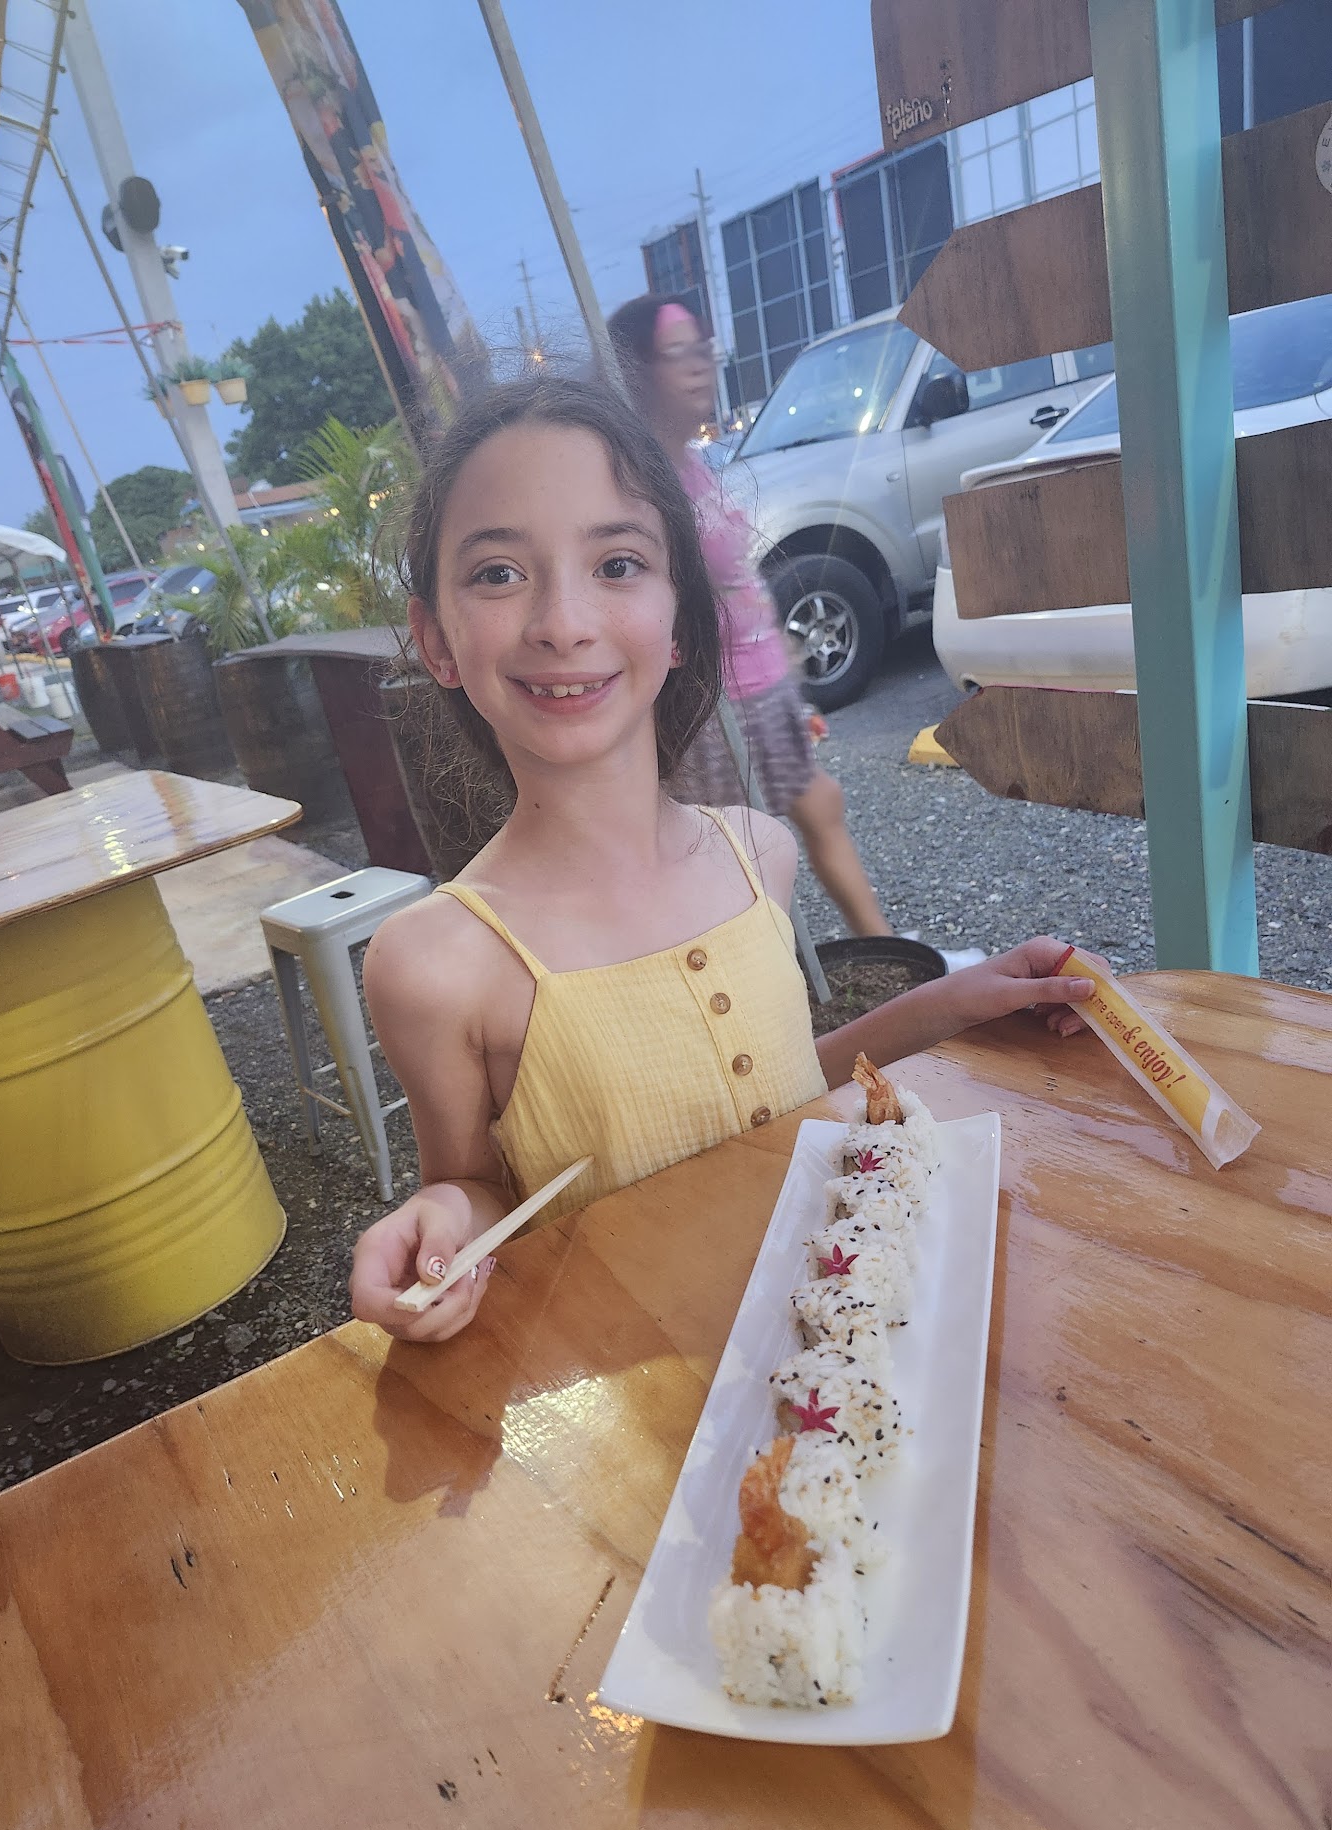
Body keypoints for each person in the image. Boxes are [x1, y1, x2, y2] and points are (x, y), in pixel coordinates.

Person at [348, 377, 1092, 1342]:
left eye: (618, 563)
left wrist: (958, 1000)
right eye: (498, 573)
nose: (563, 621)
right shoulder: (437, 962)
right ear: (436, 641)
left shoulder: (757, 851)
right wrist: (442, 1225)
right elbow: (474, 1188)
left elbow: (775, 1096)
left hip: (842, 1352)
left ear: (682, 622)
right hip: (639, 1379)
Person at [607, 294, 892, 940]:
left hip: (762, 685)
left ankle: (889, 955)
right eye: (677, 353)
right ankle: (771, 975)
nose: (699, 366)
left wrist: (779, 655)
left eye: (703, 349)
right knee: (735, 860)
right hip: (717, 706)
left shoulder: (691, 463)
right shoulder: (641, 481)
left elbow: (735, 580)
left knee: (818, 807)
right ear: (636, 371)